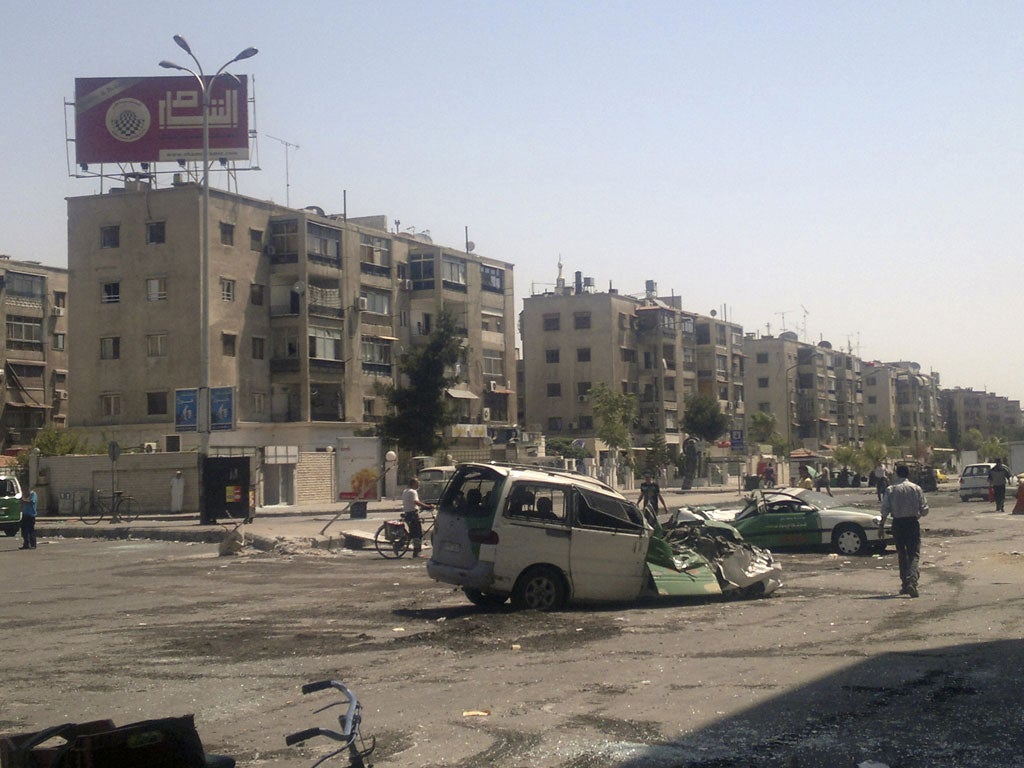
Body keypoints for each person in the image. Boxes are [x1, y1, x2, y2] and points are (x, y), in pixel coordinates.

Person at [879, 464, 929, 598]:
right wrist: (917, 514)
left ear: (897, 474)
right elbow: (925, 510)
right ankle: (912, 580)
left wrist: (881, 526)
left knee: (902, 554)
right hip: (912, 523)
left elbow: (885, 509)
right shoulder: (916, 488)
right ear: (908, 474)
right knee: (913, 554)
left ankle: (905, 583)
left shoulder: (890, 490)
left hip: (898, 524)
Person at [402, 478, 434, 558]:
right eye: (417, 483)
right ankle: (416, 553)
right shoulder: (413, 491)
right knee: (417, 533)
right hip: (413, 514)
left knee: (413, 532)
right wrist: (428, 506)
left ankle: (415, 550)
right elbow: (416, 502)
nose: (418, 485)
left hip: (408, 513)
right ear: (413, 484)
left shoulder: (405, 491)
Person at [19, 485, 38, 550]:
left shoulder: (33, 494)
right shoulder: (24, 495)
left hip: (31, 515)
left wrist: (23, 499)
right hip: (25, 515)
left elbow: (31, 501)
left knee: (31, 530)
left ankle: (33, 544)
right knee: (24, 530)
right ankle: (26, 544)